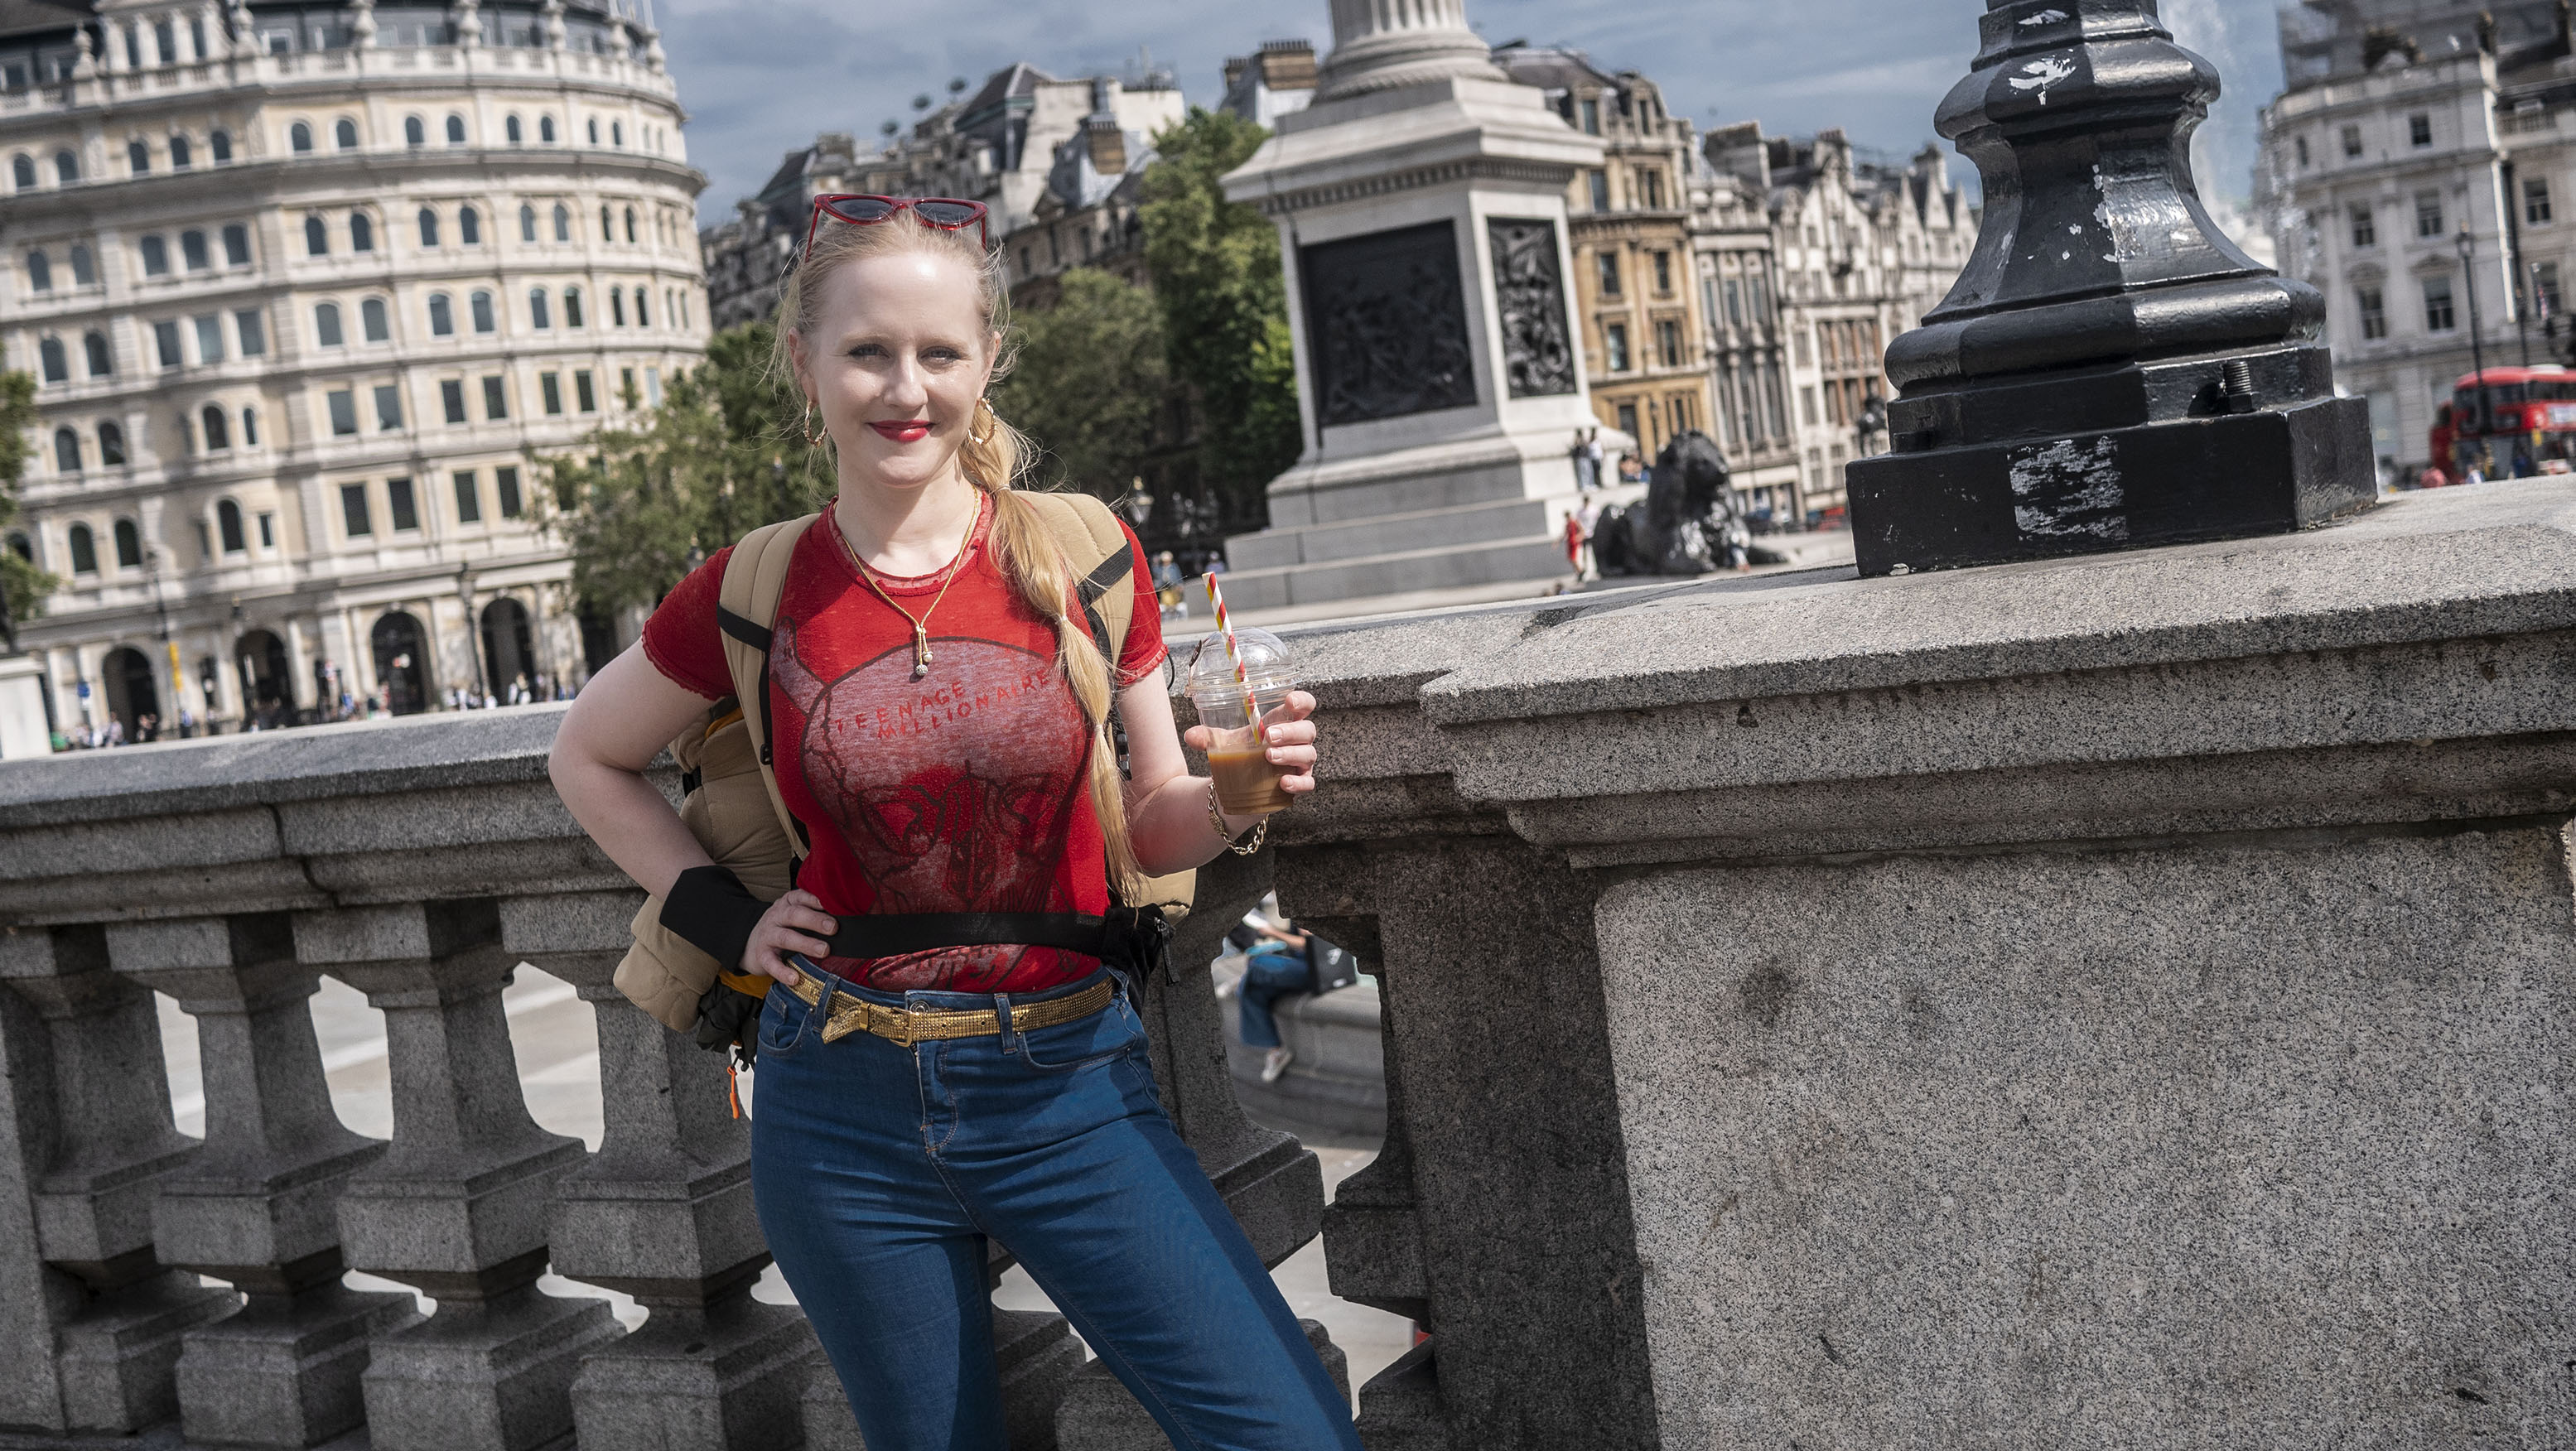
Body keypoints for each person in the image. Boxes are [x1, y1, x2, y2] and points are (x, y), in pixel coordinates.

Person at [546, 195, 1354, 1451]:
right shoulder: (753, 586)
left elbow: (1153, 825)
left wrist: (1234, 798)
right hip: (836, 1099)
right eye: (867, 352)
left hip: (1069, 1087)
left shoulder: (1085, 554)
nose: (905, 388)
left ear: (987, 362)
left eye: (939, 353)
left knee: (1286, 1433)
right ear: (804, 365)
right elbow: (587, 757)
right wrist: (728, 921)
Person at [1231, 914, 1311, 1084]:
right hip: (1298, 963)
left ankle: (1242, 981)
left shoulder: (1310, 906)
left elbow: (1308, 944)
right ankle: (1276, 1050)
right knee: (1254, 991)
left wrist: (1273, 933)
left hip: (1313, 969)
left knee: (1259, 963)